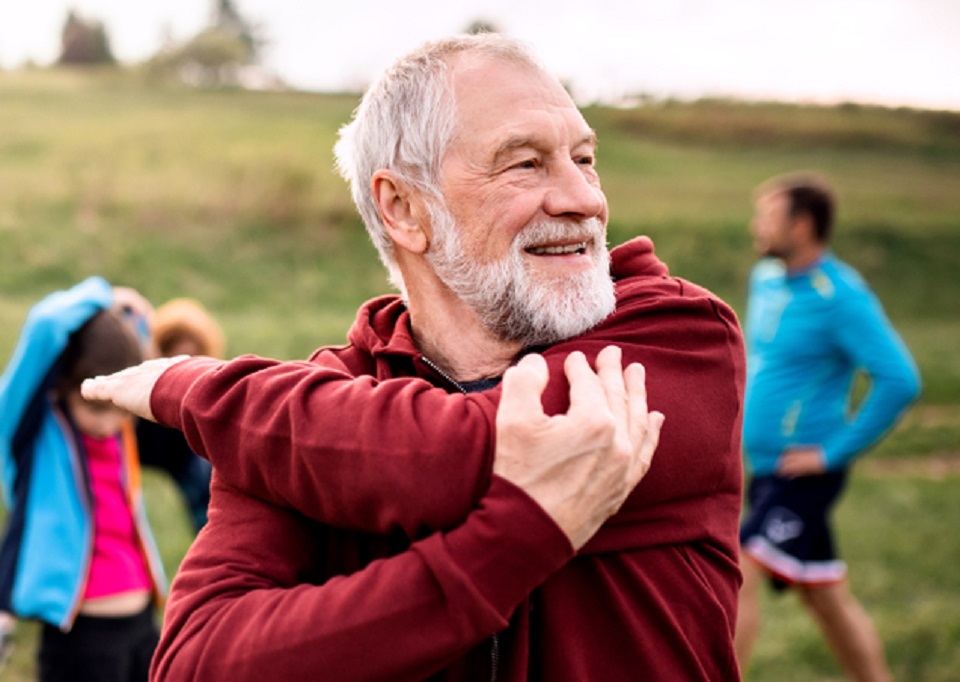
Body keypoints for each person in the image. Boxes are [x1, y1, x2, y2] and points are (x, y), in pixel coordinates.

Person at [83, 34, 746, 681]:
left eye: (584, 158)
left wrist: (202, 392)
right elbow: (198, 664)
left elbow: (455, 455)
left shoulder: (680, 336)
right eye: (526, 163)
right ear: (402, 208)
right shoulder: (306, 410)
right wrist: (512, 542)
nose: (583, 199)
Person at [735, 173, 921, 681]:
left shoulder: (840, 295)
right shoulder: (766, 280)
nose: (758, 227)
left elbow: (899, 380)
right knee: (825, 598)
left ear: (803, 224)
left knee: (739, 571)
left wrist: (830, 453)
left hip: (805, 473)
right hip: (765, 468)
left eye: (769, 218)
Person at [0, 277, 168, 682]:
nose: (112, 425)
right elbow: (46, 323)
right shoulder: (33, 432)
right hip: (81, 637)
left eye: (119, 410)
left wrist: (129, 318)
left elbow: (134, 354)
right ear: (62, 387)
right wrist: (106, 295)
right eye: (96, 408)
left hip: (143, 623)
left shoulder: (117, 431)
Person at [136, 298, 222, 531]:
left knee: (207, 496)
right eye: (173, 359)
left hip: (180, 448)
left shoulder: (203, 402)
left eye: (192, 360)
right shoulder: (136, 391)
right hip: (142, 437)